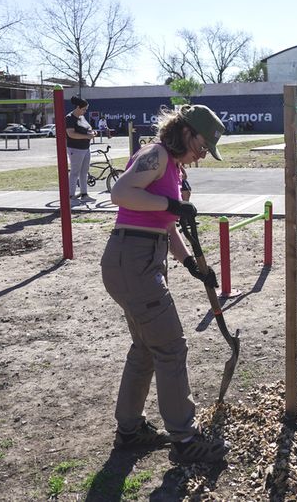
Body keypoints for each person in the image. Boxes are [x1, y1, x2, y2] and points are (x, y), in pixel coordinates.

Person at [101, 104, 229, 465]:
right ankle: (186, 440)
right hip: (132, 258)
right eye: (202, 147)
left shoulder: (173, 166)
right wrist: (171, 202)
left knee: (145, 349)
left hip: (144, 257)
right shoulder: (155, 154)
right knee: (171, 348)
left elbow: (167, 225)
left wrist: (191, 264)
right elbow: (121, 193)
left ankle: (129, 431)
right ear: (186, 132)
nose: (201, 156)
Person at [65, 96, 96, 201]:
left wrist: (91, 132)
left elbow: (88, 127)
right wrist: (87, 136)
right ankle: (71, 196)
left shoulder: (82, 117)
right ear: (78, 107)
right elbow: (71, 134)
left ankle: (84, 194)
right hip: (75, 149)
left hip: (85, 148)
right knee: (75, 172)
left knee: (84, 172)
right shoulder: (69, 118)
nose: (85, 111)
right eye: (84, 109)